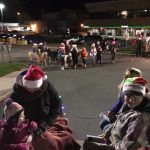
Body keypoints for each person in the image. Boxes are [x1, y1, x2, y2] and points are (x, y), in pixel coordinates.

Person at [8, 64, 81, 150]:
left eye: (35, 89)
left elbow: (56, 105)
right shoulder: (16, 94)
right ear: (24, 85)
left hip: (47, 121)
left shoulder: (48, 86)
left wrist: (44, 126)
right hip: (25, 125)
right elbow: (9, 115)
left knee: (62, 138)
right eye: (30, 88)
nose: (32, 91)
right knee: (42, 143)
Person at [83, 77, 150, 150]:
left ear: (142, 96)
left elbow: (127, 147)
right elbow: (121, 121)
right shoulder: (130, 106)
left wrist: (103, 147)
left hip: (117, 146)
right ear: (124, 95)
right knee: (88, 141)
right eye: (128, 96)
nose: (131, 100)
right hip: (114, 141)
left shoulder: (141, 119)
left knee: (88, 145)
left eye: (135, 97)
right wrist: (106, 135)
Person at [99, 67, 144, 131]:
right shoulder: (124, 86)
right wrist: (112, 111)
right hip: (121, 114)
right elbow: (120, 101)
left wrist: (117, 119)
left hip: (127, 117)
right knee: (102, 124)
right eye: (126, 76)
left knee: (106, 128)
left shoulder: (139, 90)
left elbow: (131, 111)